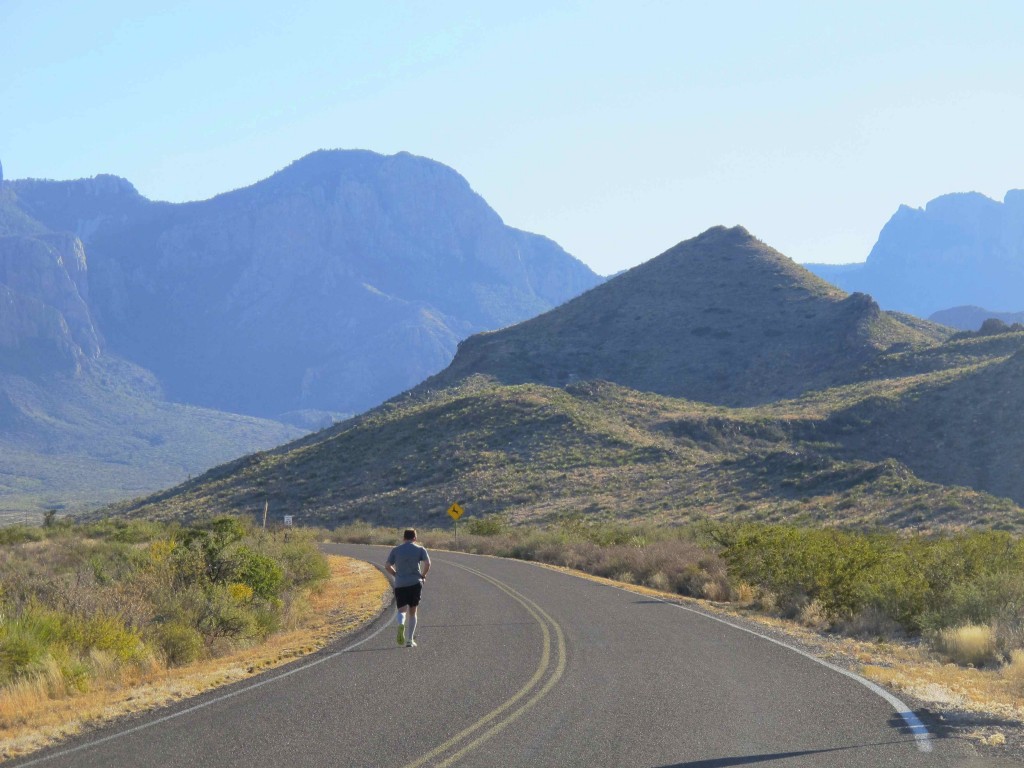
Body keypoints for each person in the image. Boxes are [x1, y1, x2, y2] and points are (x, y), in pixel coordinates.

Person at [385, 528, 430, 647]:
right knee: (413, 611)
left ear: (403, 538)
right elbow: (427, 563)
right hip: (415, 582)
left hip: (400, 583)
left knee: (401, 610)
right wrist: (423, 575)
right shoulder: (420, 549)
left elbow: (387, 565)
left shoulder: (396, 550)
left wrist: (395, 574)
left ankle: (401, 624)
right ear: (415, 538)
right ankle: (410, 640)